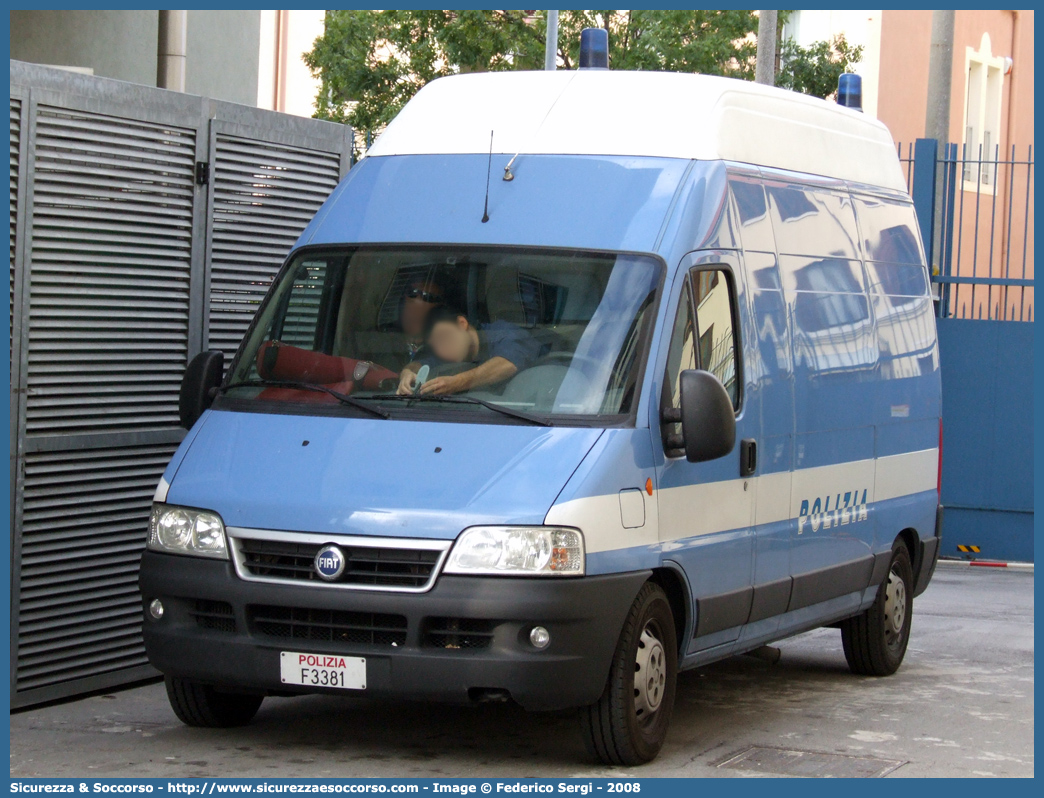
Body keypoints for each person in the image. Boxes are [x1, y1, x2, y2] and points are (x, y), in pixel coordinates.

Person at [397, 307, 542, 395]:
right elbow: (422, 363)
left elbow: (508, 363)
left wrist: (457, 382)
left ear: (462, 324)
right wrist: (407, 373)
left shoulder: (505, 333)